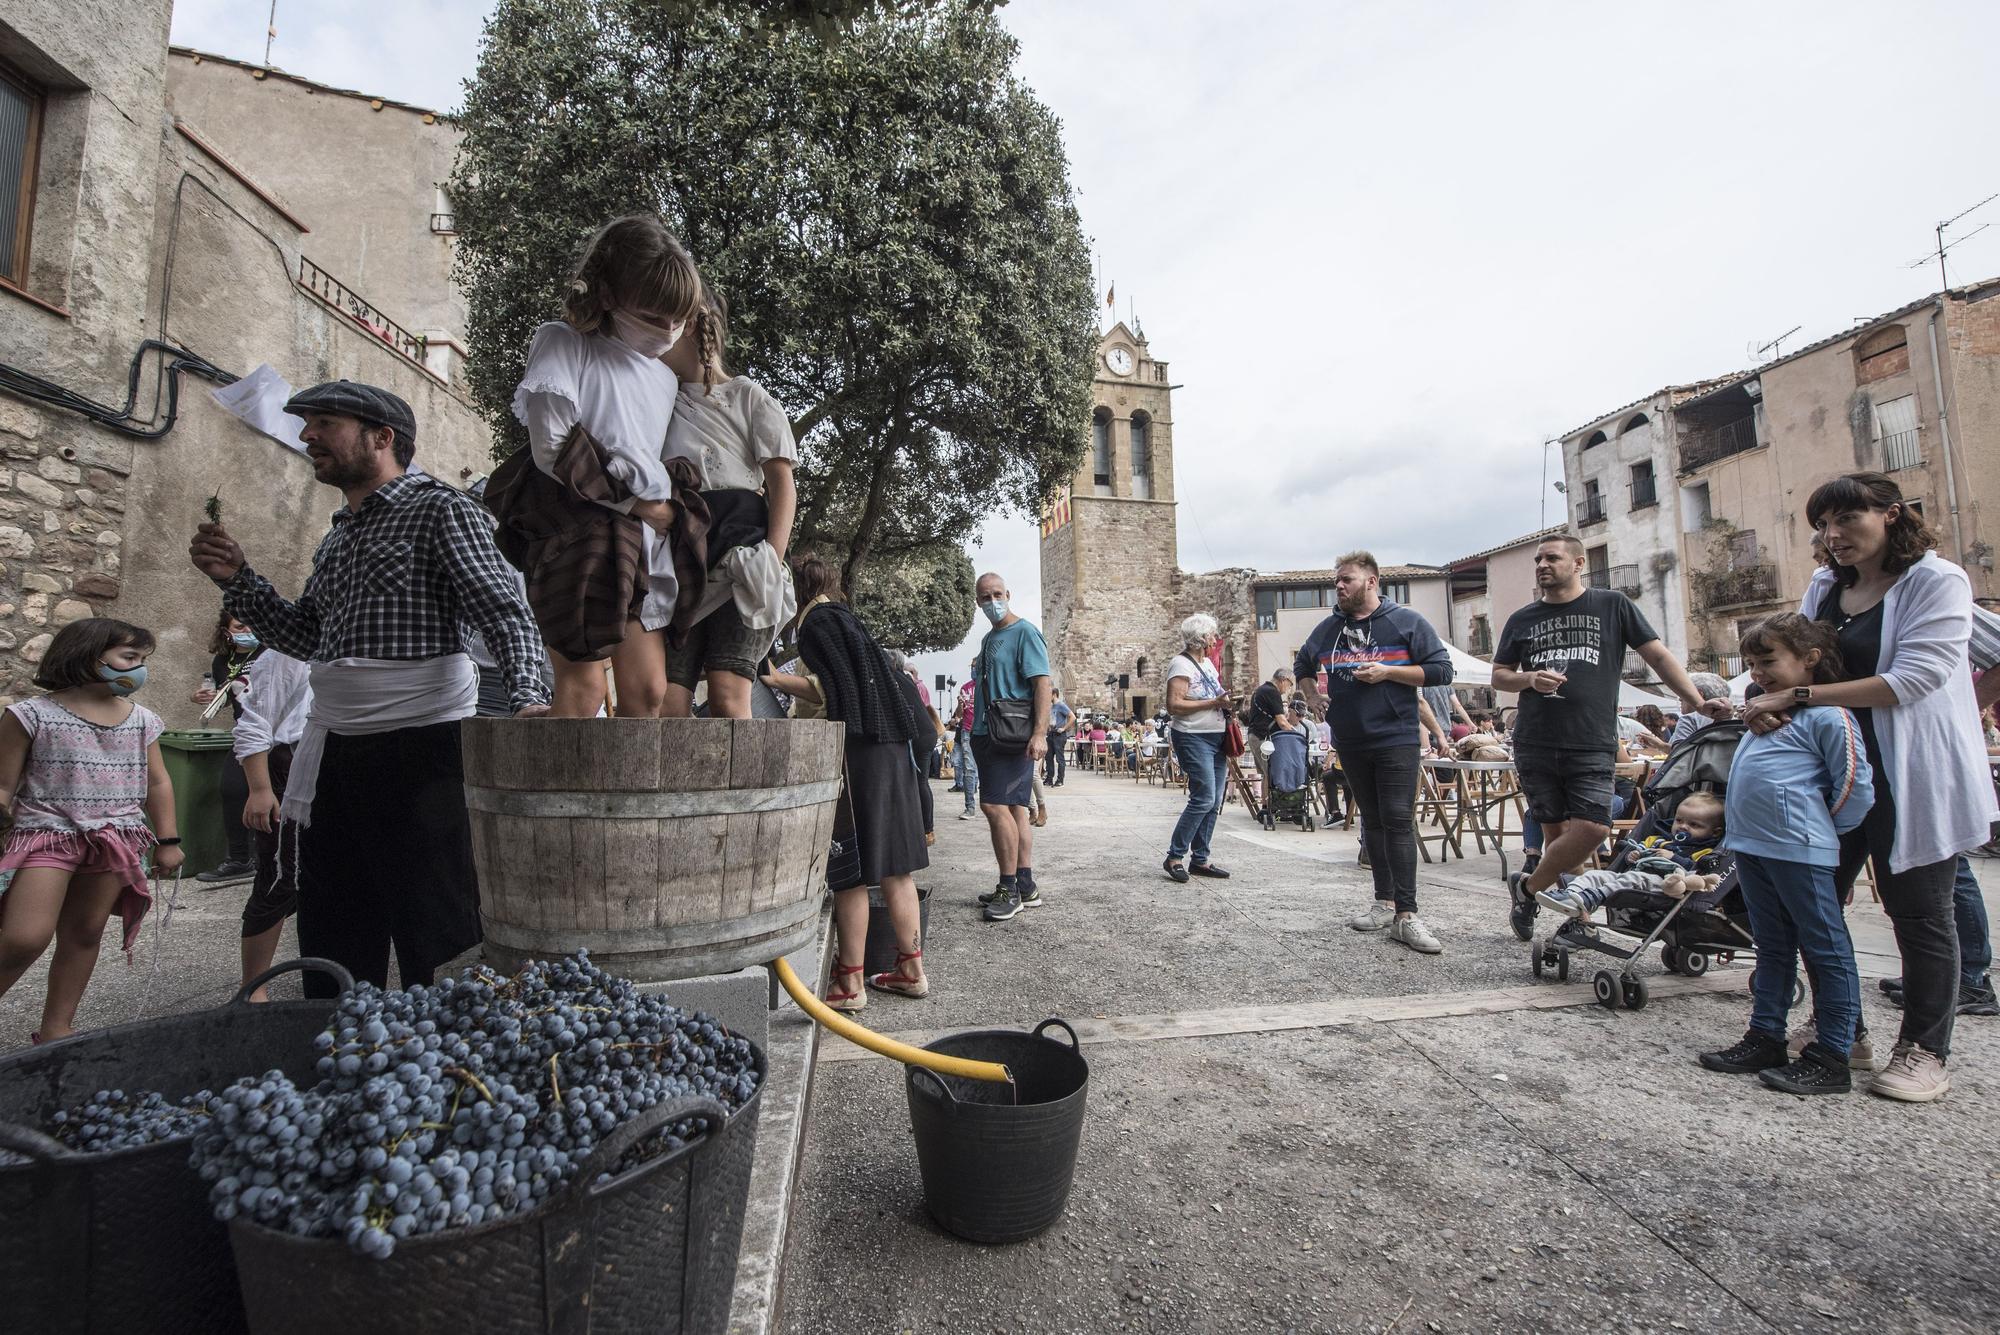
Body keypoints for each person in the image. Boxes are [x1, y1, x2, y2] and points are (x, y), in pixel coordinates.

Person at [189, 379, 552, 998]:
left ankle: (442, 1067)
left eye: (324, 423)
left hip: (425, 748)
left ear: (382, 438)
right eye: (308, 424)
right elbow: (306, 636)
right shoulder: (338, 537)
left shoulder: (444, 509)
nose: (307, 436)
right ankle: (340, 1049)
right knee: (333, 917)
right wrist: (238, 580)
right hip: (333, 749)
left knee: (435, 923)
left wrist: (528, 698)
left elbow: (504, 611)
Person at [1743, 472, 1995, 1101]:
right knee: (1815, 903)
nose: (1833, 536)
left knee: (1919, 913)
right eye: (1823, 526)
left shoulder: (1937, 581)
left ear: (1891, 515)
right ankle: (1841, 1031)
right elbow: (1792, 654)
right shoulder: (1827, 587)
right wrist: (1765, 699)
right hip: (1830, 773)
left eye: (1847, 520)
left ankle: (1923, 1050)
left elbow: (1916, 678)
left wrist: (1795, 696)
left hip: (1912, 771)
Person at [484, 214, 710, 719]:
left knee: (649, 690)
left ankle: (631, 798)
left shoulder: (665, 379)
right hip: (576, 533)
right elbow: (552, 447)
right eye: (654, 317)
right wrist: (637, 503)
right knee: (583, 687)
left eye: (679, 320)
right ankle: (557, 796)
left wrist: (662, 509)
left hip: (643, 545)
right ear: (609, 295)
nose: (669, 332)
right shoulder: (565, 342)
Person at [1497, 534, 1729, 939]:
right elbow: (1500, 673)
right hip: (1536, 739)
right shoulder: (1523, 618)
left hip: (1591, 739)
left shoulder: (1611, 605)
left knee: (1593, 829)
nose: (1542, 565)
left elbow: (1657, 654)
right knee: (1556, 835)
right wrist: (1530, 678)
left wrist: (1693, 700)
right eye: (1538, 559)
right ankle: (1578, 919)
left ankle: (1528, 888)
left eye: (1552, 557)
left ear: (1579, 563)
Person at [1699, 614, 1875, 1095]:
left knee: (1825, 947)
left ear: (1810, 659)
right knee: (1772, 944)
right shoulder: (1763, 715)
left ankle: (1833, 1053)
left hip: (1799, 848)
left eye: (1768, 661)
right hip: (1752, 846)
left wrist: (1817, 828)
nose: (1758, 673)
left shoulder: (1828, 716)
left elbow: (1855, 788)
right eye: (1752, 664)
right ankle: (1765, 1034)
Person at [0, 619, 182, 1042]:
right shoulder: (30, 715)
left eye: (142, 660)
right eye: (129, 658)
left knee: (84, 933)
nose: (139, 669)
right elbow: (4, 784)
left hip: (115, 839)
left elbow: (158, 782)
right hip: (47, 834)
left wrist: (168, 841)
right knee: (26, 938)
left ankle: (56, 1029)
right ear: (88, 657)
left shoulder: (143, 720)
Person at [763, 557, 928, 1011]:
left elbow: (831, 689)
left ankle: (849, 984)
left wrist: (775, 678)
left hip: (859, 747)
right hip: (891, 744)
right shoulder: (844, 617)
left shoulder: (817, 622)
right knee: (896, 865)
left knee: (849, 869)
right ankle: (911, 969)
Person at [1293, 552, 1453, 953]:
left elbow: (1441, 670)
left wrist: (1389, 672)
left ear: (1372, 581)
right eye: (1336, 582)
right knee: (1374, 821)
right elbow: (1302, 663)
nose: (1339, 587)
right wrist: (1311, 693)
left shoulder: (1405, 622)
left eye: (1346, 579)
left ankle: (1408, 915)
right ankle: (1384, 902)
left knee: (1398, 819)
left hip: (1396, 736)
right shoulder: (1329, 629)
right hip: (1351, 739)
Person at [662, 287, 797, 718]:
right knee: (669, 698)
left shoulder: (747, 396)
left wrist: (771, 559)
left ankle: (740, 789)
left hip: (744, 558)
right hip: (682, 562)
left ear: (690, 328)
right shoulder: (661, 399)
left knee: (727, 692)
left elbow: (782, 482)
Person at [970, 573, 1052, 922]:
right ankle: (1025, 883)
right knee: (1017, 809)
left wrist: (1040, 733)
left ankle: (1009, 890)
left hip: (1010, 734)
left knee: (993, 806)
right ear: (978, 602)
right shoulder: (990, 638)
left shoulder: (1025, 632)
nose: (992, 601)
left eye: (997, 594)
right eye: (985, 597)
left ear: (1009, 594)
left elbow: (1043, 684)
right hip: (988, 733)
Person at [232, 648, 311, 1002]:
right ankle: (253, 988)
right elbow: (255, 722)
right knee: (279, 877)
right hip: (286, 767)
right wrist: (260, 789)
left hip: (331, 762)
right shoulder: (286, 653)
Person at [1537, 792, 1730, 918]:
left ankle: (1591, 897)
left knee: (1631, 878)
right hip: (1635, 875)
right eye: (1679, 820)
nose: (1683, 827)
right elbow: (1637, 851)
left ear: (1714, 832)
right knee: (1595, 874)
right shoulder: (1659, 839)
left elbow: (1696, 872)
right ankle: (1570, 895)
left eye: (1694, 825)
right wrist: (1634, 856)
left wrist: (1673, 858)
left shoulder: (1704, 851)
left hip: (1665, 885)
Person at [192, 611, 264, 882]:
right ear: (226, 631)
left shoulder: (271, 651)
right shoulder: (222, 661)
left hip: (276, 733)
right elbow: (225, 696)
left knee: (275, 793)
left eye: (253, 622)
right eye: (240, 625)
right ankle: (239, 859)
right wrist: (202, 697)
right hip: (244, 731)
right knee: (233, 789)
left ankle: (268, 857)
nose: (249, 629)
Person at [1163, 613, 1234, 884]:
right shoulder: (1181, 664)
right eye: (1212, 636)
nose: (1215, 640)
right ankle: (1174, 856)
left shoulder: (1208, 665)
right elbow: (1174, 705)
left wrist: (1224, 703)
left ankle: (1201, 859)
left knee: (1214, 801)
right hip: (1193, 737)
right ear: (1202, 638)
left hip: (1216, 738)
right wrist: (1213, 703)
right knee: (1203, 798)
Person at [1246, 668, 1295, 810]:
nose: (1288, 689)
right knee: (1272, 772)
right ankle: (1269, 807)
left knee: (1267, 773)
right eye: (1289, 684)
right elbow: (1282, 722)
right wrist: (1297, 735)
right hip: (1262, 738)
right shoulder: (1272, 692)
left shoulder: (1261, 689)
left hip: (1256, 735)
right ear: (1283, 680)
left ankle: (1266, 806)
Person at [1669, 673, 1733, 746]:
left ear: (1699, 694)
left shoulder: (1688, 720)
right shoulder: (1736, 720)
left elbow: (1679, 754)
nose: (1680, 698)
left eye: (1683, 693)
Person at [952, 666, 980, 818]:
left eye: (976, 666)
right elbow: (958, 714)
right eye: (972, 667)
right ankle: (970, 807)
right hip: (967, 731)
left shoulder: (989, 685)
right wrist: (960, 704)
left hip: (985, 731)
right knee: (969, 768)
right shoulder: (965, 688)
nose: (974, 669)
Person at [1045, 687, 1073, 787]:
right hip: (1051, 733)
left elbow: (1072, 717)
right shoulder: (1052, 706)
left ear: (1054, 694)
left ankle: (1060, 780)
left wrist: (1064, 728)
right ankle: (1049, 778)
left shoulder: (1061, 705)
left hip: (1059, 734)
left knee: (1059, 758)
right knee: (1048, 757)